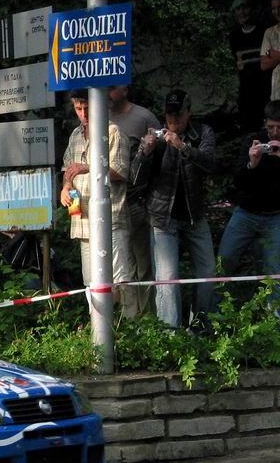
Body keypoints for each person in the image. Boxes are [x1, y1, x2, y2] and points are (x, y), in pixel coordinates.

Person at [133, 89, 217, 329]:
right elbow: (135, 179)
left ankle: (201, 326)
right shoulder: (156, 137)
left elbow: (211, 164)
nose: (174, 121)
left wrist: (182, 147)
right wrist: (144, 152)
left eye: (179, 115)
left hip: (195, 215)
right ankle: (171, 335)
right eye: (169, 115)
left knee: (209, 273)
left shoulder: (203, 133)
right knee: (168, 279)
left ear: (189, 113)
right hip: (163, 217)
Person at [59, 89, 137, 317]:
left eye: (87, 108)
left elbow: (121, 172)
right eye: (78, 108)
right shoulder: (75, 135)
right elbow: (68, 171)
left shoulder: (113, 132)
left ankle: (133, 330)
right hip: (83, 220)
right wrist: (65, 187)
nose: (83, 113)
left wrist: (88, 167)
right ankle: (98, 334)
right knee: (92, 283)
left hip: (110, 218)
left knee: (121, 280)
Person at [219, 100, 280, 307]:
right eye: (271, 126)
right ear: (265, 123)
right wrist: (252, 163)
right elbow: (237, 181)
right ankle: (208, 319)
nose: (274, 132)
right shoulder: (253, 141)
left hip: (276, 216)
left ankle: (274, 324)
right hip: (246, 213)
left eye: (279, 127)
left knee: (276, 271)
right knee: (223, 262)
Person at [109, 85, 160, 316]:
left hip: (139, 201)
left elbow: (162, 159)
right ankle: (129, 318)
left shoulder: (143, 117)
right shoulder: (99, 116)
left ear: (125, 89)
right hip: (111, 203)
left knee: (143, 264)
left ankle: (147, 320)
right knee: (121, 267)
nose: (107, 93)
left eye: (112, 88)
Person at [231, 0, 270, 132]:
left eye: (244, 8)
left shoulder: (264, 32)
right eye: (238, 9)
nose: (241, 12)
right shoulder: (234, 37)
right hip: (246, 92)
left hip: (265, 90)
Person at [260, 0, 280, 102]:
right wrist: (269, 52)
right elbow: (264, 64)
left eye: (279, 7)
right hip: (276, 93)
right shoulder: (269, 32)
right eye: (274, 8)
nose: (277, 11)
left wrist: (274, 54)